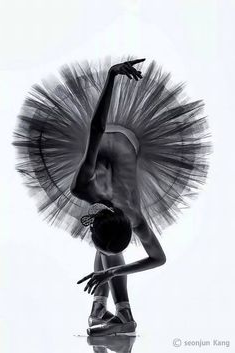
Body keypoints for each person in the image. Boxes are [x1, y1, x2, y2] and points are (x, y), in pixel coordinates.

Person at [13, 56, 211, 336]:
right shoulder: (88, 188)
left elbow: (159, 259)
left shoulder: (103, 199)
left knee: (108, 243)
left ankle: (108, 309)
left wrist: (113, 271)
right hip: (114, 144)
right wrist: (110, 77)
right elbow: (96, 129)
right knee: (107, 243)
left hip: (125, 151)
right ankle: (116, 310)